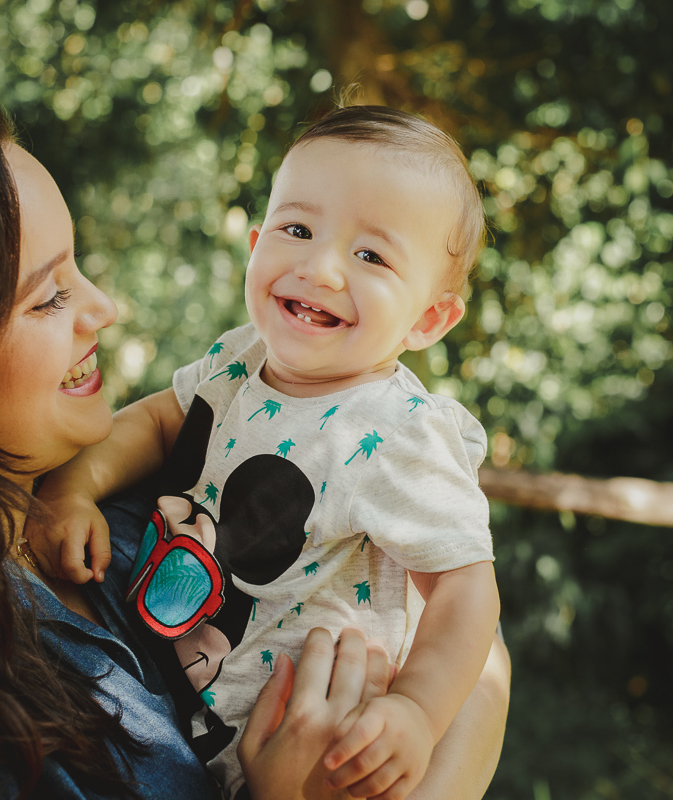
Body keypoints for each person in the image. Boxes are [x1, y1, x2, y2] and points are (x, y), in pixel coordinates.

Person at [0, 102, 510, 800]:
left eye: (79, 270)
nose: (103, 307)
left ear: (430, 318)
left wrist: (421, 710)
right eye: (50, 296)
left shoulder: (129, 521)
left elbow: (472, 626)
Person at [28, 106, 500, 800]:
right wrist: (73, 489)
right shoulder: (240, 358)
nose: (321, 268)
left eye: (372, 256)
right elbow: (158, 424)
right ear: (256, 245)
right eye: (298, 230)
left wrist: (417, 712)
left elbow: (465, 589)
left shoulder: (400, 432)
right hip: (198, 720)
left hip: (330, 746)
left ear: (429, 318)